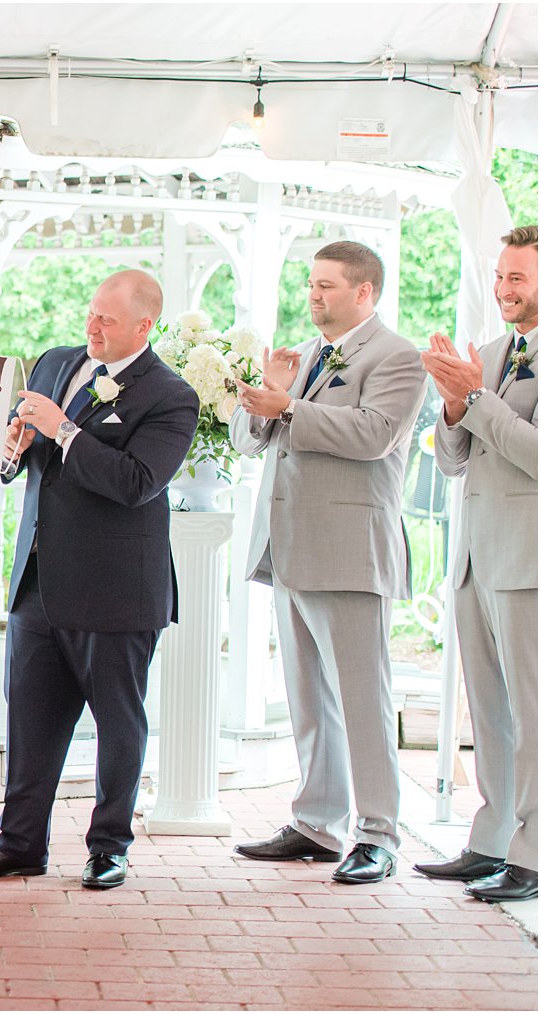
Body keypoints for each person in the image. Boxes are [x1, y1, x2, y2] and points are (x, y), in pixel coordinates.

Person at [0, 269, 198, 889]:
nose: (92, 328)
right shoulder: (55, 364)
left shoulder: (171, 395)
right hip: (38, 582)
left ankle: (109, 845)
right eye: (91, 313)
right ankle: (19, 843)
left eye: (107, 320)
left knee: (118, 723)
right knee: (28, 719)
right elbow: (32, 459)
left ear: (145, 326)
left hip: (116, 589)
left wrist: (62, 428)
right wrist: (13, 445)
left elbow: (137, 482)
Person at [229, 240, 425, 885]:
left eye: (328, 286)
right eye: (311, 284)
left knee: (361, 700)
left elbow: (375, 435)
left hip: (348, 550)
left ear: (364, 292)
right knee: (307, 697)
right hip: (291, 547)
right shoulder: (307, 355)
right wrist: (270, 396)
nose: (314, 295)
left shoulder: (397, 356)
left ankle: (378, 834)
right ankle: (317, 822)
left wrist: (289, 407)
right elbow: (250, 439)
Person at [415, 225, 538, 903]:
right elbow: (453, 460)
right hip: (475, 555)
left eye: (517, 278)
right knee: (488, 711)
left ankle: (534, 852)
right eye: (500, 276)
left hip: (530, 560)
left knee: (534, 711)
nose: (503, 290)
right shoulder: (488, 354)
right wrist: (455, 405)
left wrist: (480, 399)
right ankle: (490, 839)